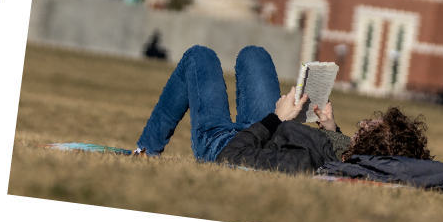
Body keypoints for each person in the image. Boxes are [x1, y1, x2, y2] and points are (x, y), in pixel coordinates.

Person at [133, 45, 348, 174]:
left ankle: (145, 151)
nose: (364, 124)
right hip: (266, 134)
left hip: (226, 147)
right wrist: (331, 131)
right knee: (254, 54)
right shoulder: (357, 153)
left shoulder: (310, 166)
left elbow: (232, 155)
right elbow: (341, 157)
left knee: (198, 56)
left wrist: (277, 118)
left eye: (367, 126)